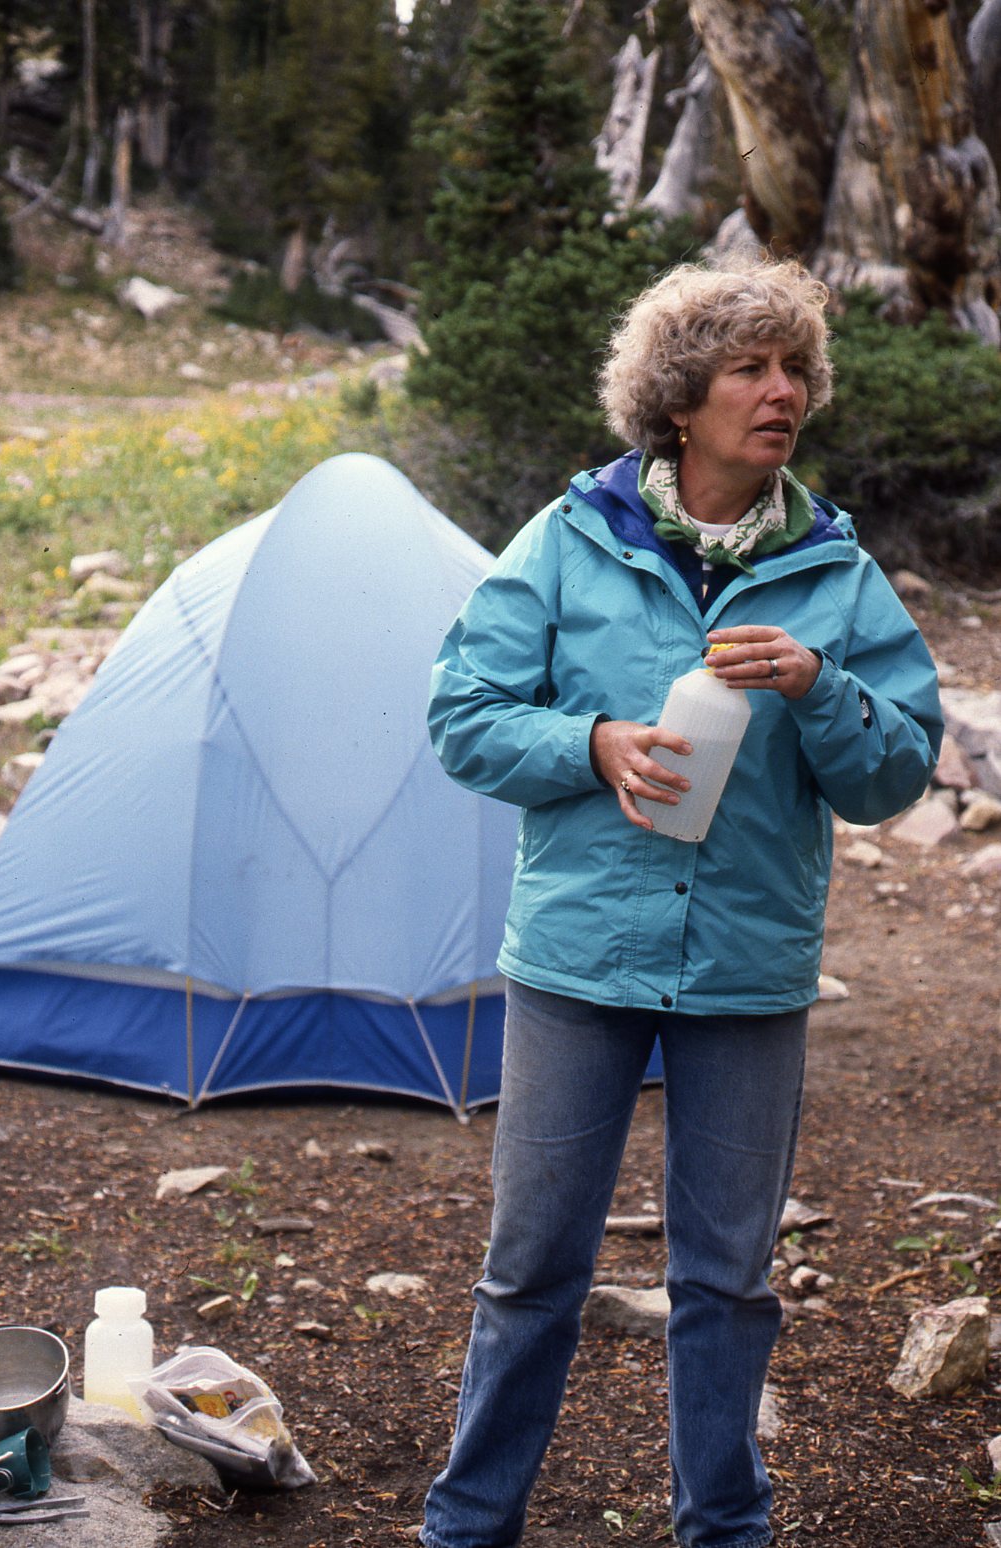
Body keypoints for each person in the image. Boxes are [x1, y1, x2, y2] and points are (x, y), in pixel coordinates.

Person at [419, 258, 943, 1548]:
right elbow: (464, 715)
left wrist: (821, 685)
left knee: (728, 1281)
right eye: (750, 369)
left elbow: (895, 775)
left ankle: (725, 1530)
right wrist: (590, 744)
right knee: (531, 1270)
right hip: (579, 958)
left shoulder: (835, 573)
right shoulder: (570, 538)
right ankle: (469, 1528)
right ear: (678, 398)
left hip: (748, 970)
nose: (783, 392)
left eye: (796, 369)